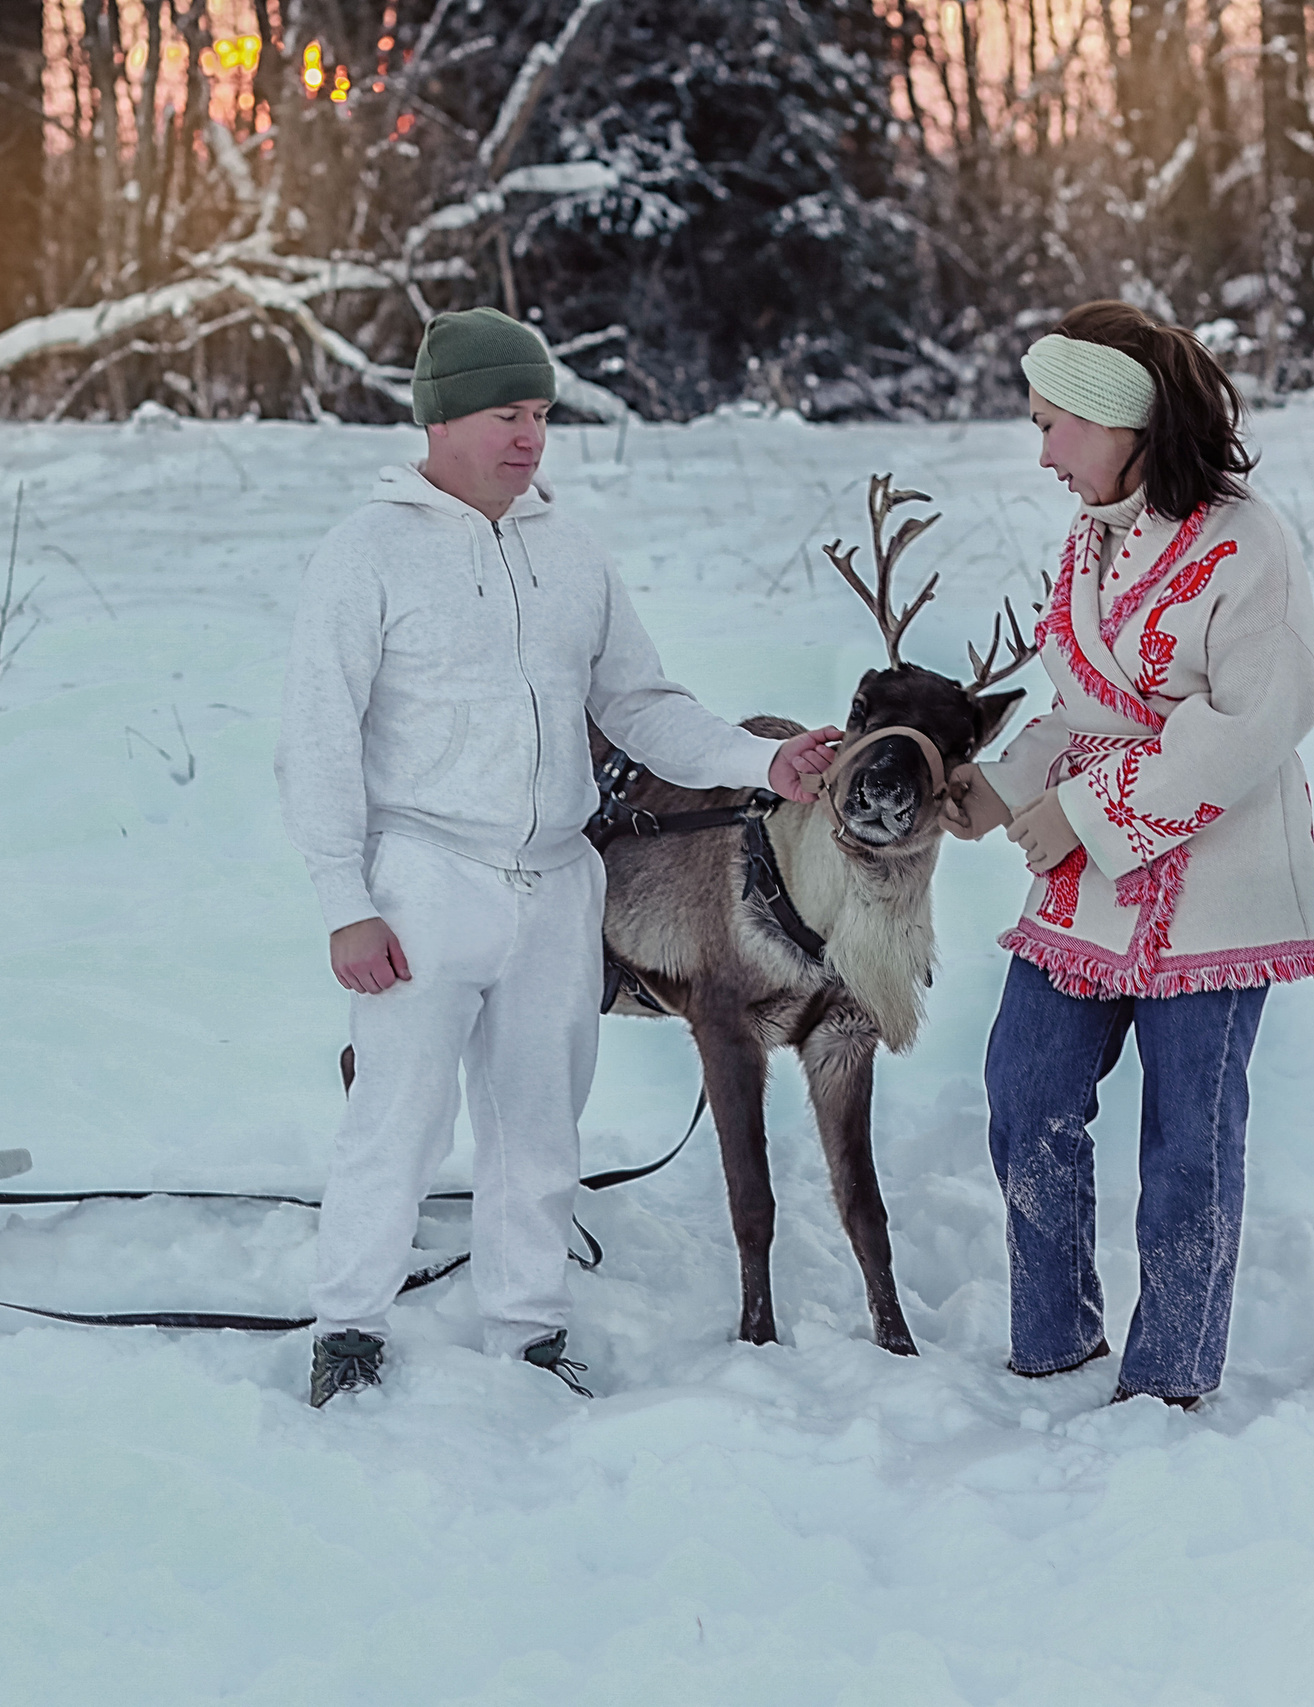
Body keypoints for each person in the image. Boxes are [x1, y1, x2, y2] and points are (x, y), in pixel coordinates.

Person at [276, 306, 838, 1407]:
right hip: (426, 878)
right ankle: (347, 1329)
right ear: (441, 418)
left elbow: (640, 704)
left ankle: (528, 1330)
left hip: (556, 881)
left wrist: (757, 764)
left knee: (539, 1122)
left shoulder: (570, 551)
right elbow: (317, 737)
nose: (529, 435)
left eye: (539, 412)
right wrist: (345, 899)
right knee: (399, 1117)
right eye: (505, 413)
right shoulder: (367, 554)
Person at [940, 299, 1314, 1408]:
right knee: (1025, 1088)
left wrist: (1085, 812)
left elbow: (1255, 717)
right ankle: (1053, 1337)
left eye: (1052, 425)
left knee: (1187, 1139)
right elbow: (1086, 707)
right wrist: (1002, 786)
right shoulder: (1091, 538)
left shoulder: (1247, 543)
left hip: (1220, 883)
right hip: (1089, 890)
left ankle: (1169, 1379)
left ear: (1121, 419)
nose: (1043, 455)